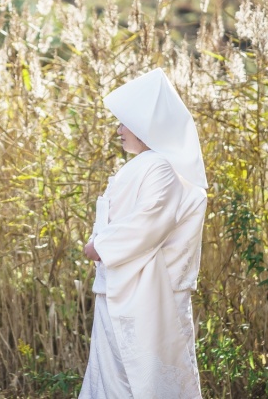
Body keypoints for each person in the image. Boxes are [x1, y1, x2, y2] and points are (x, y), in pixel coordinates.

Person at [80, 68, 208, 399]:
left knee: (134, 377)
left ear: (145, 127)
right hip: (124, 284)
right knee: (115, 373)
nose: (118, 130)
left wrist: (101, 245)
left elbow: (151, 220)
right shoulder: (153, 164)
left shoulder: (161, 167)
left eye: (125, 123)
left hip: (142, 292)